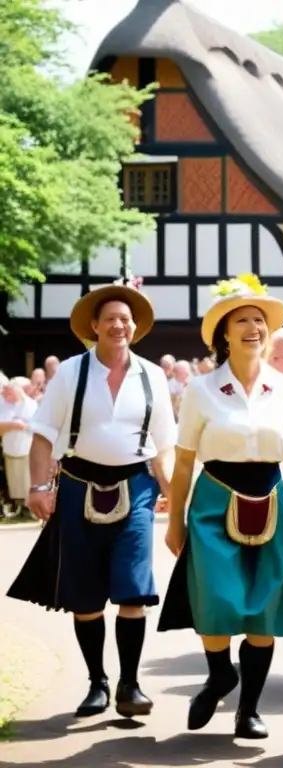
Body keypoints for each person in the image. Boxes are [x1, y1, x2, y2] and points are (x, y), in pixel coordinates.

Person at [157, 273, 283, 739]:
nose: (253, 327)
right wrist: (175, 520)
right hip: (213, 500)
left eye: (259, 320)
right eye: (243, 320)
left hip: (271, 497)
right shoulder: (201, 390)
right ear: (224, 333)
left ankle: (248, 709)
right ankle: (219, 673)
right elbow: (185, 461)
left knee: (264, 610)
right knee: (216, 598)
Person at [7, 276, 176, 719]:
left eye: (126, 319)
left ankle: (130, 685)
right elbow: (42, 436)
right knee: (85, 596)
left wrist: (175, 493)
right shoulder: (70, 372)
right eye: (110, 319)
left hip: (136, 486)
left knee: (133, 590)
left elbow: (165, 443)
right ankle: (97, 681)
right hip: (78, 482)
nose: (119, 326)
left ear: (135, 328)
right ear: (95, 327)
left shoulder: (153, 376)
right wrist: (40, 487)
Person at [0, 376, 37, 516]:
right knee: (15, 480)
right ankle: (19, 505)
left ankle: (29, 508)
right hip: (10, 447)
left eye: (9, 392)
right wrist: (13, 425)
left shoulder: (30, 405)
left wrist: (17, 425)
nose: (6, 395)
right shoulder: (5, 405)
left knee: (26, 479)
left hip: (26, 447)